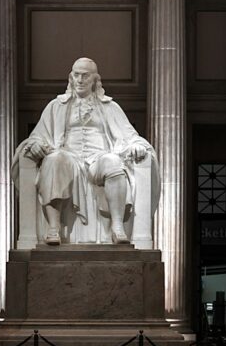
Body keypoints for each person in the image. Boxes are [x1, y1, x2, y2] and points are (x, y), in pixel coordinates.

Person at [12, 57, 159, 244]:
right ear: (71, 78)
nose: (80, 80)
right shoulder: (56, 106)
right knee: (53, 160)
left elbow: (129, 135)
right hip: (68, 157)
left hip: (99, 157)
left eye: (85, 76)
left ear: (95, 80)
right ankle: (53, 228)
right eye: (76, 75)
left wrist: (137, 145)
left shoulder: (110, 107)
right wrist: (34, 144)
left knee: (113, 162)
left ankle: (117, 226)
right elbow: (39, 135)